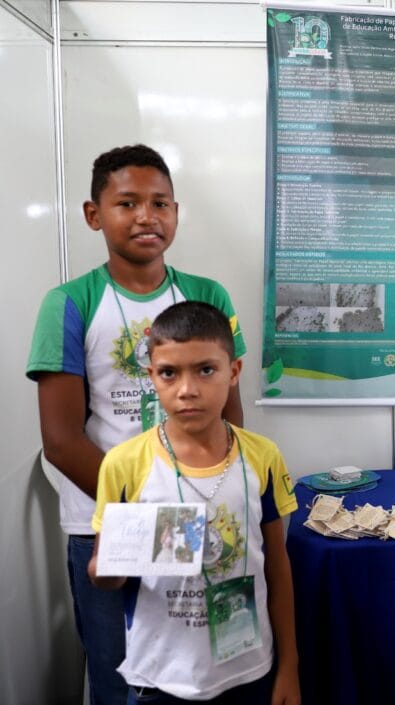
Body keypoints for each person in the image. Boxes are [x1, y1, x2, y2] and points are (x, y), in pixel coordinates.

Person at [26, 144, 246, 704]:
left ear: (176, 211)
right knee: (122, 677)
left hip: (203, 512)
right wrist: (146, 515)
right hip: (107, 521)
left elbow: (231, 411)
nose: (147, 216)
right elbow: (60, 440)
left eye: (160, 203)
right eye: (127, 203)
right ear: (94, 214)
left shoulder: (206, 296)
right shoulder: (70, 303)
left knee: (203, 670)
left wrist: (202, 503)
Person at [88, 301, 299, 704]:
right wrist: (107, 572)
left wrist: (289, 665)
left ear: (233, 371)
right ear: (151, 376)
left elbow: (277, 563)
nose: (187, 389)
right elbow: (106, 570)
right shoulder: (124, 464)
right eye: (169, 373)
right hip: (160, 677)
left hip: (249, 671)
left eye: (206, 369)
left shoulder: (262, 456)